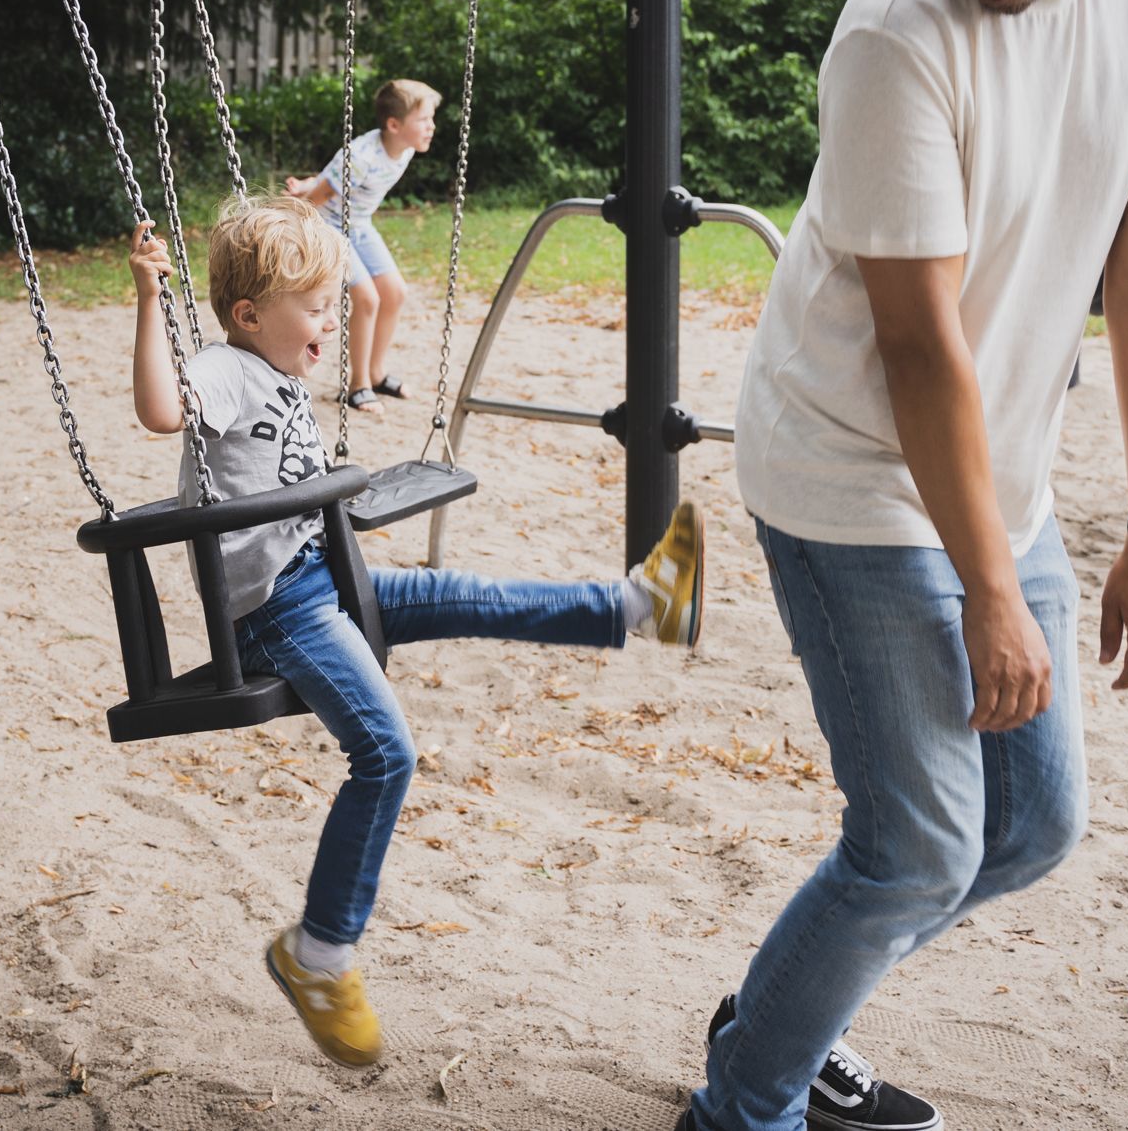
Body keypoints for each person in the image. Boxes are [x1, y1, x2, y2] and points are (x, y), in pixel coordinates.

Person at [685, 0, 1128, 1128]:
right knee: (919, 848)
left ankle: (786, 1012)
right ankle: (744, 1101)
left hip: (998, 472)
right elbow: (916, 346)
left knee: (1030, 825)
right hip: (849, 469)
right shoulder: (891, 32)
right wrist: (988, 589)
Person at [127, 195, 706, 1070]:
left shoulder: (274, 368)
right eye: (316, 307)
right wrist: (147, 298)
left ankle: (634, 606)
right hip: (281, 608)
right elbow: (162, 411)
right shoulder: (224, 367)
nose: (335, 318)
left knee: (466, 594)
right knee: (386, 754)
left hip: (324, 573)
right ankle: (317, 955)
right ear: (250, 316)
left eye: (333, 302)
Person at [284, 78, 440, 415]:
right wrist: (300, 212)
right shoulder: (364, 155)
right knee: (367, 297)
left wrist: (311, 181)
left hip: (359, 224)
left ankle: (376, 372)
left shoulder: (406, 149)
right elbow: (323, 193)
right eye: (424, 120)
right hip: (328, 223)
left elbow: (331, 176)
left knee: (395, 292)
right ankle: (358, 386)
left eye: (431, 118)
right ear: (394, 125)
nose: (432, 126)